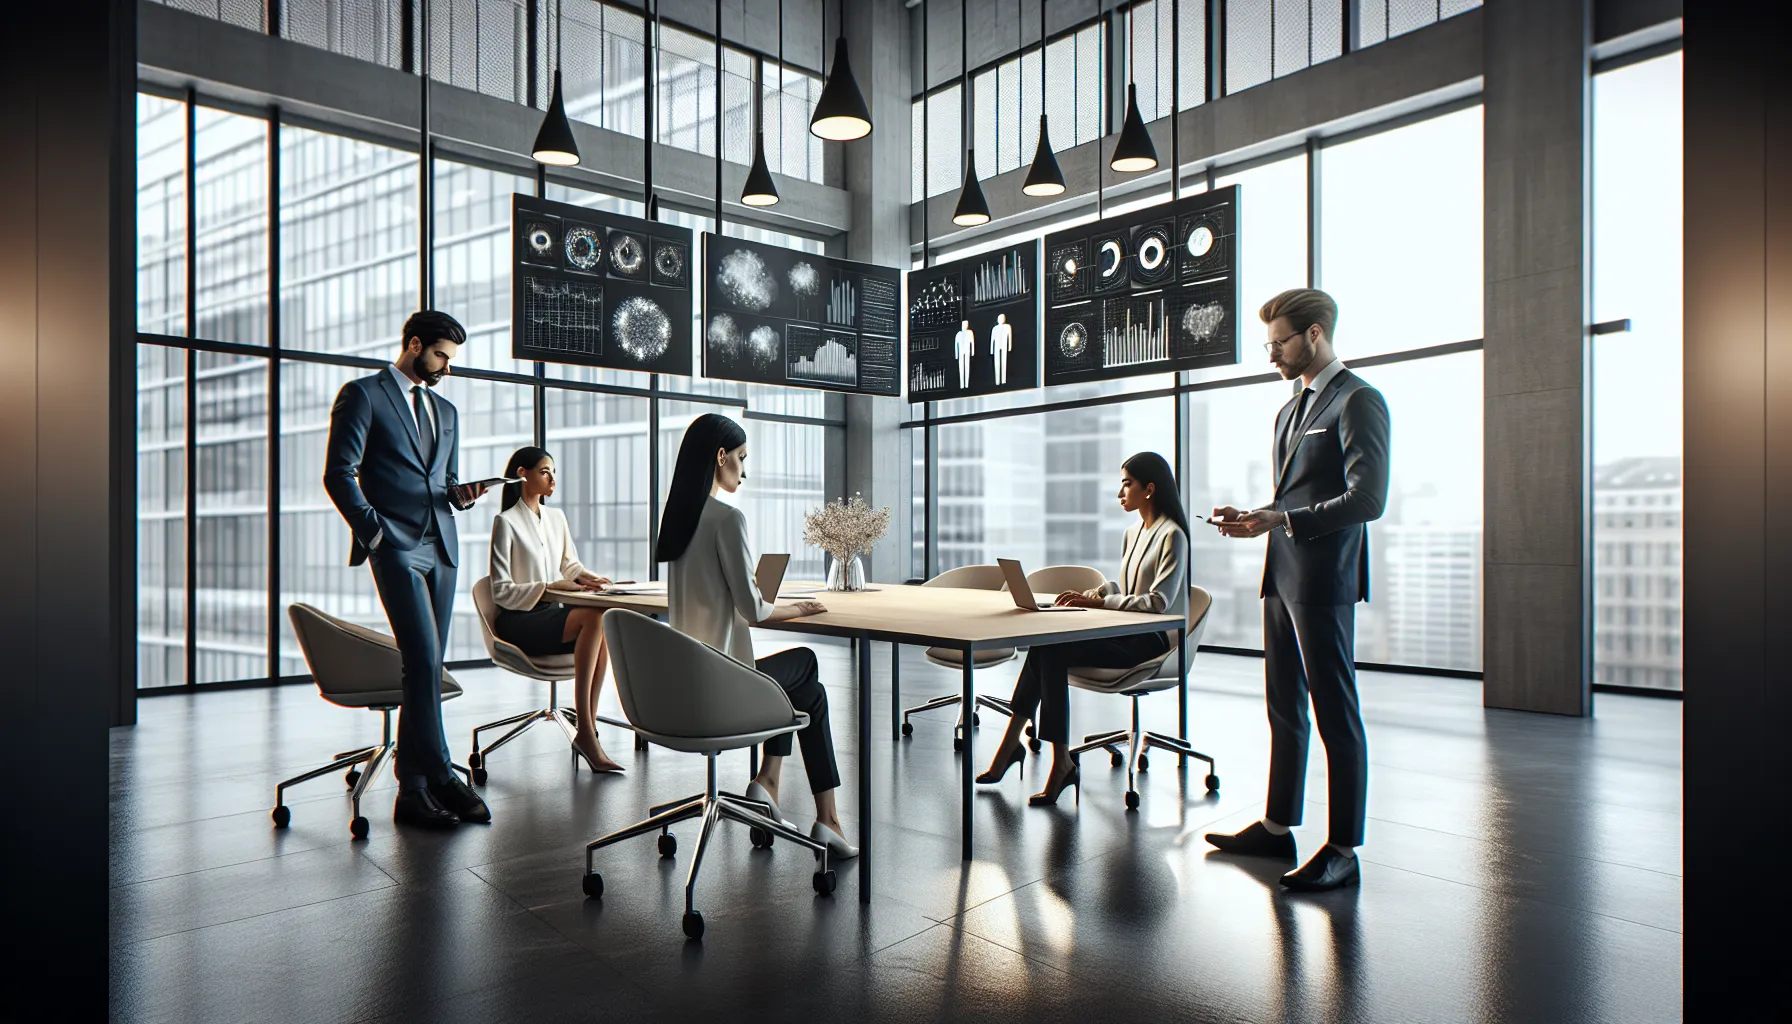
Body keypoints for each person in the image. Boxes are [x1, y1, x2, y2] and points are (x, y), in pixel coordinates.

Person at [1204, 287, 1390, 892]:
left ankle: (1343, 849)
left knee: (1335, 710)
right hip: (1280, 574)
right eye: (1269, 342)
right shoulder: (1290, 410)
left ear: (1314, 335)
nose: (1271, 353)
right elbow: (1296, 497)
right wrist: (1259, 515)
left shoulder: (1359, 401)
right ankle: (1278, 825)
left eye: (1279, 341)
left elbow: (1367, 500)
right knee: (1283, 705)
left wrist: (1283, 520)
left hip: (1323, 578)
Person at [656, 413, 858, 858]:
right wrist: (795, 607)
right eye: (741, 460)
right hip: (720, 687)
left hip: (680, 685)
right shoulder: (727, 518)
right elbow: (753, 609)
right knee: (806, 666)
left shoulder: (677, 520)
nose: (744, 472)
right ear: (720, 456)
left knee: (806, 690)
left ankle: (777, 787)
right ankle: (816, 812)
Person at [323, 310, 492, 829]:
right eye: (441, 355)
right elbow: (339, 474)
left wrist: (461, 495)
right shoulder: (364, 395)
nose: (446, 367)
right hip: (395, 545)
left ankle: (414, 787)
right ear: (414, 344)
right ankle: (437, 776)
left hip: (441, 545)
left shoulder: (447, 410)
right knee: (420, 656)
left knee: (428, 663)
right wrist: (375, 533)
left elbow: (445, 480)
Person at [977, 451, 1191, 807]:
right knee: (1046, 645)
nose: (1120, 492)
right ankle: (1031, 751)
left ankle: (1043, 757)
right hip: (1122, 630)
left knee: (1053, 649)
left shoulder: (1173, 535)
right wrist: (1099, 593)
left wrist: (1099, 604)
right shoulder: (1133, 532)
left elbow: (1157, 602)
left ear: (1149, 489)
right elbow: (1129, 588)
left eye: (1127, 484)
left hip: (1149, 641)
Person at [488, 446, 625, 773]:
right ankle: (587, 735)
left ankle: (587, 728)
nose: (552, 479)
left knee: (601, 618)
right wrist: (548, 589)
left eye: (553, 473)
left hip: (548, 615)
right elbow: (500, 590)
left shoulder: (556, 518)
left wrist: (589, 578)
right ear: (523, 473)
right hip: (519, 620)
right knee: (593, 618)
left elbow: (569, 565)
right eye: (545, 471)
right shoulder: (505, 522)